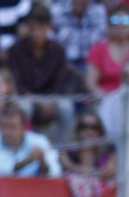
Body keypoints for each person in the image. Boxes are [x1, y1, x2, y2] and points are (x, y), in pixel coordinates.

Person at [7, 4, 78, 141]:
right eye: (34, 28)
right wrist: (38, 102)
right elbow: (18, 84)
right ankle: (25, 146)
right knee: (23, 107)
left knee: (66, 108)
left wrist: (51, 101)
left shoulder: (58, 50)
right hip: (27, 97)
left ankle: (62, 150)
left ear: (49, 27)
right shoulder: (16, 50)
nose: (38, 33)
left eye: (42, 28)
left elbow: (60, 83)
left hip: (51, 97)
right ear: (28, 27)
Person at [84, 4, 129, 96]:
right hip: (104, 101)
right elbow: (91, 83)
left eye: (126, 21)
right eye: (116, 21)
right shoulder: (97, 50)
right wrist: (109, 101)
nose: (121, 25)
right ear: (109, 26)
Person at [0, 102, 62, 177]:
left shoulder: (39, 141)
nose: (7, 131)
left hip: (32, 189)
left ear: (23, 127)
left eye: (12, 127)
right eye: (4, 126)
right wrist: (27, 161)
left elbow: (56, 173)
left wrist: (43, 162)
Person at [52, 0, 106, 70]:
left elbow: (102, 39)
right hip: (64, 62)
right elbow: (52, 40)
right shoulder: (58, 10)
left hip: (91, 63)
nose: (80, 1)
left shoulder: (98, 10)